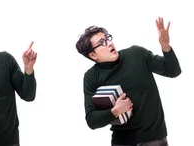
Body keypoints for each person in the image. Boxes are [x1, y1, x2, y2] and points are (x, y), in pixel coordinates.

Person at [76, 17, 181, 146]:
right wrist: (115, 111)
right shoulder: (91, 77)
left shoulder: (137, 54)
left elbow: (173, 71)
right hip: (122, 142)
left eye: (107, 38)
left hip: (155, 140)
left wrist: (166, 47)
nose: (109, 43)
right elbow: (92, 120)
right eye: (102, 42)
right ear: (93, 55)